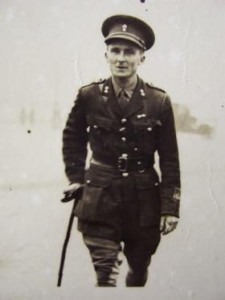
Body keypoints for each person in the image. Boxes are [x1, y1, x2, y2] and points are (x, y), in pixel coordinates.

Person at [62, 14, 181, 287]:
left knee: (138, 267)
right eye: (115, 51)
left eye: (130, 52)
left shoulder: (158, 101)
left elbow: (170, 158)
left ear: (142, 58)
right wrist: (75, 176)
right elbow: (73, 137)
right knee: (106, 272)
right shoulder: (89, 95)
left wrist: (170, 207)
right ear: (106, 55)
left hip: (144, 201)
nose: (121, 58)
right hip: (100, 196)